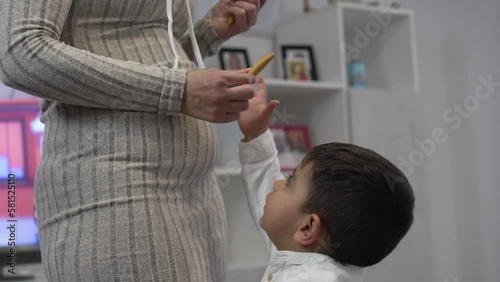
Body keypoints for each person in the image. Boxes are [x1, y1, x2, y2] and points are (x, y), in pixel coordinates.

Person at [0, 0, 266, 281]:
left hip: (199, 192)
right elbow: (20, 52)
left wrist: (208, 32)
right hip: (114, 184)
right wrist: (178, 90)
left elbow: (148, 53)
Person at [237, 77, 415, 281]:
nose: (276, 184)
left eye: (288, 183)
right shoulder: (304, 252)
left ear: (308, 228)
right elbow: (269, 200)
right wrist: (255, 134)